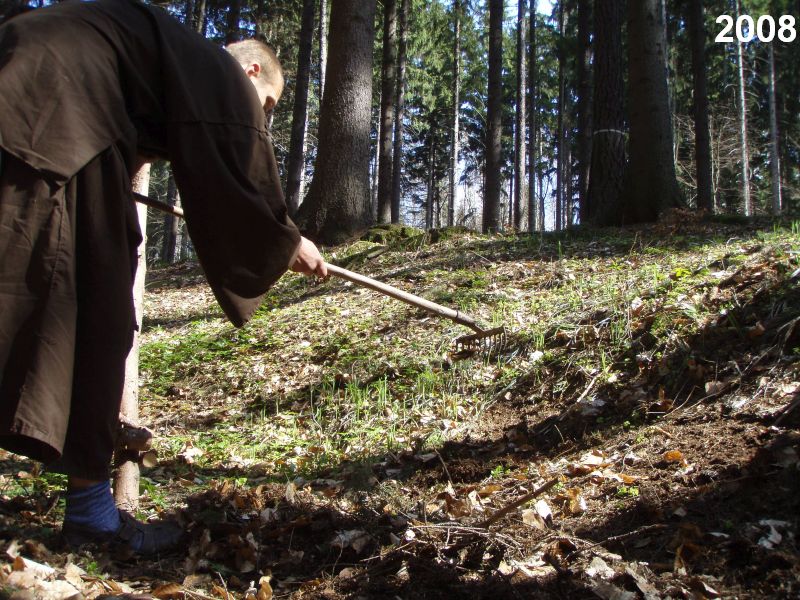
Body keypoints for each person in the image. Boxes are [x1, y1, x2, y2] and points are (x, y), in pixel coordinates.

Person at [0, 0, 327, 554]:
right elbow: (239, 158)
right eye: (267, 105)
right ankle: (93, 518)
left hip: (38, 108)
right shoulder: (219, 70)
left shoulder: (167, 58)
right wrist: (286, 239)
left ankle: (91, 511)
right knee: (100, 314)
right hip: (51, 122)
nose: (263, 117)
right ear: (250, 71)